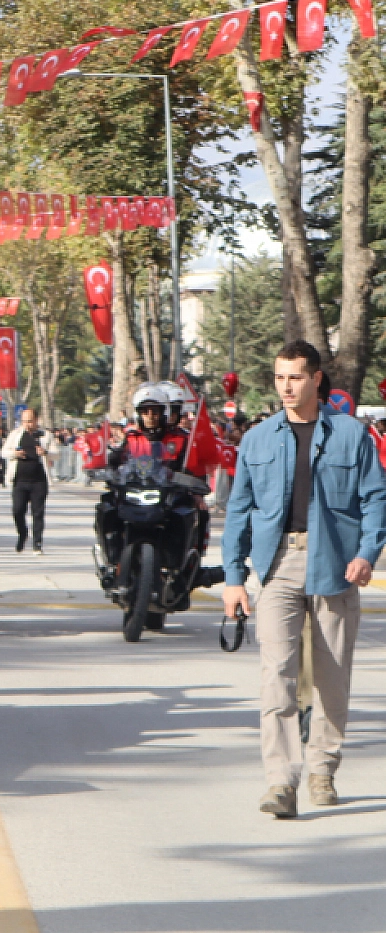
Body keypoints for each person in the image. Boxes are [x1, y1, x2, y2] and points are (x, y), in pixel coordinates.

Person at [223, 341, 386, 818]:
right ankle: (280, 781)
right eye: (279, 377)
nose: (286, 386)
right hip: (278, 565)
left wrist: (366, 553)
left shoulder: (351, 436)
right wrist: (234, 577)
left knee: (332, 678)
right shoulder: (257, 439)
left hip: (335, 564)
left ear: (316, 379)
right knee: (276, 675)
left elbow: (376, 499)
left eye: (295, 377)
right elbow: (237, 511)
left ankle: (322, 767)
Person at [4, 408, 52, 553]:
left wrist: (45, 452)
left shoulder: (45, 435)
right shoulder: (16, 434)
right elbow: (3, 452)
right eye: (24, 421)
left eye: (30, 421)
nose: (27, 424)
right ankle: (22, 533)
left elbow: (57, 453)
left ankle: (37, 543)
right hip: (19, 480)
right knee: (17, 510)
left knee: (38, 513)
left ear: (36, 420)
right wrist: (14, 453)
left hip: (39, 481)